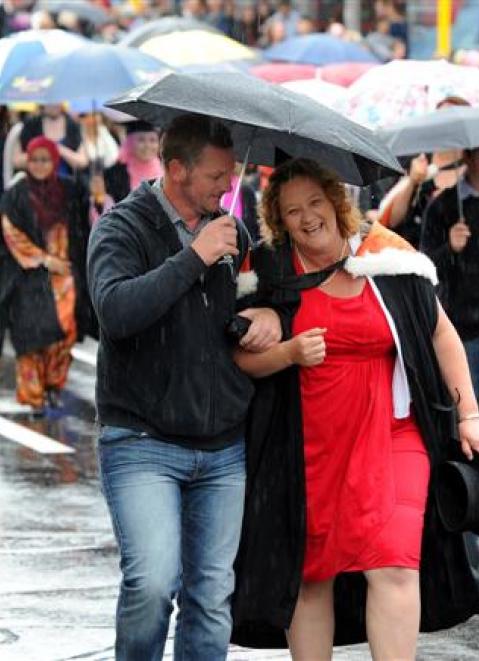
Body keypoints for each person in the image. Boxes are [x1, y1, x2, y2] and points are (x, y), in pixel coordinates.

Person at [230, 157, 479, 659]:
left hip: (395, 435)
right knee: (312, 576)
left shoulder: (386, 255)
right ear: (277, 219)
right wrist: (285, 349)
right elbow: (241, 360)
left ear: (335, 201)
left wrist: (470, 414)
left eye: (315, 202)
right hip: (309, 447)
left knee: (394, 564)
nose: (308, 217)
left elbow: (440, 335)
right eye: (291, 211)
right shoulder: (267, 270)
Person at [87, 113, 282, 660]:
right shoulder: (121, 227)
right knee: (151, 586)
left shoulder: (232, 230)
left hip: (222, 446)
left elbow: (245, 310)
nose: (228, 186)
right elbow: (116, 311)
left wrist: (264, 315)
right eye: (216, 175)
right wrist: (192, 258)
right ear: (176, 170)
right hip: (142, 443)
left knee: (212, 596)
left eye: (229, 174)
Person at [1, 136, 94, 413]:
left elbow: (87, 221)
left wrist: (98, 197)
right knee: (30, 337)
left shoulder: (70, 190)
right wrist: (44, 260)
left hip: (65, 276)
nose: (40, 165)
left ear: (54, 161)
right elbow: (11, 234)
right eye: (35, 160)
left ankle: (54, 385)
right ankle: (33, 397)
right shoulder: (16, 195)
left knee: (64, 334)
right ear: (27, 162)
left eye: (46, 160)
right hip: (27, 278)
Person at [421, 144, 479, 443]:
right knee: (467, 414)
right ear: (466, 157)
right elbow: (424, 266)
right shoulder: (444, 207)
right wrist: (449, 248)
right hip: (462, 325)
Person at [377, 96, 470, 248]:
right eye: (439, 118)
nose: (443, 124)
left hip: (447, 251)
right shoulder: (419, 160)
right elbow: (393, 220)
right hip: (411, 251)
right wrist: (412, 181)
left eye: (450, 119)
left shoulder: (472, 167)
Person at [14, 104, 89, 179]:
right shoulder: (31, 124)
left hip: (67, 184)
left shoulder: (73, 125)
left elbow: (82, 162)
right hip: (36, 184)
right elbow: (16, 161)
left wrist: (57, 149)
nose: (53, 104)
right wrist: (40, 152)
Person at [103, 120, 162, 204]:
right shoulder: (113, 174)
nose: (147, 146)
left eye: (152, 140)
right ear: (130, 143)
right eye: (141, 140)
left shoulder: (165, 172)